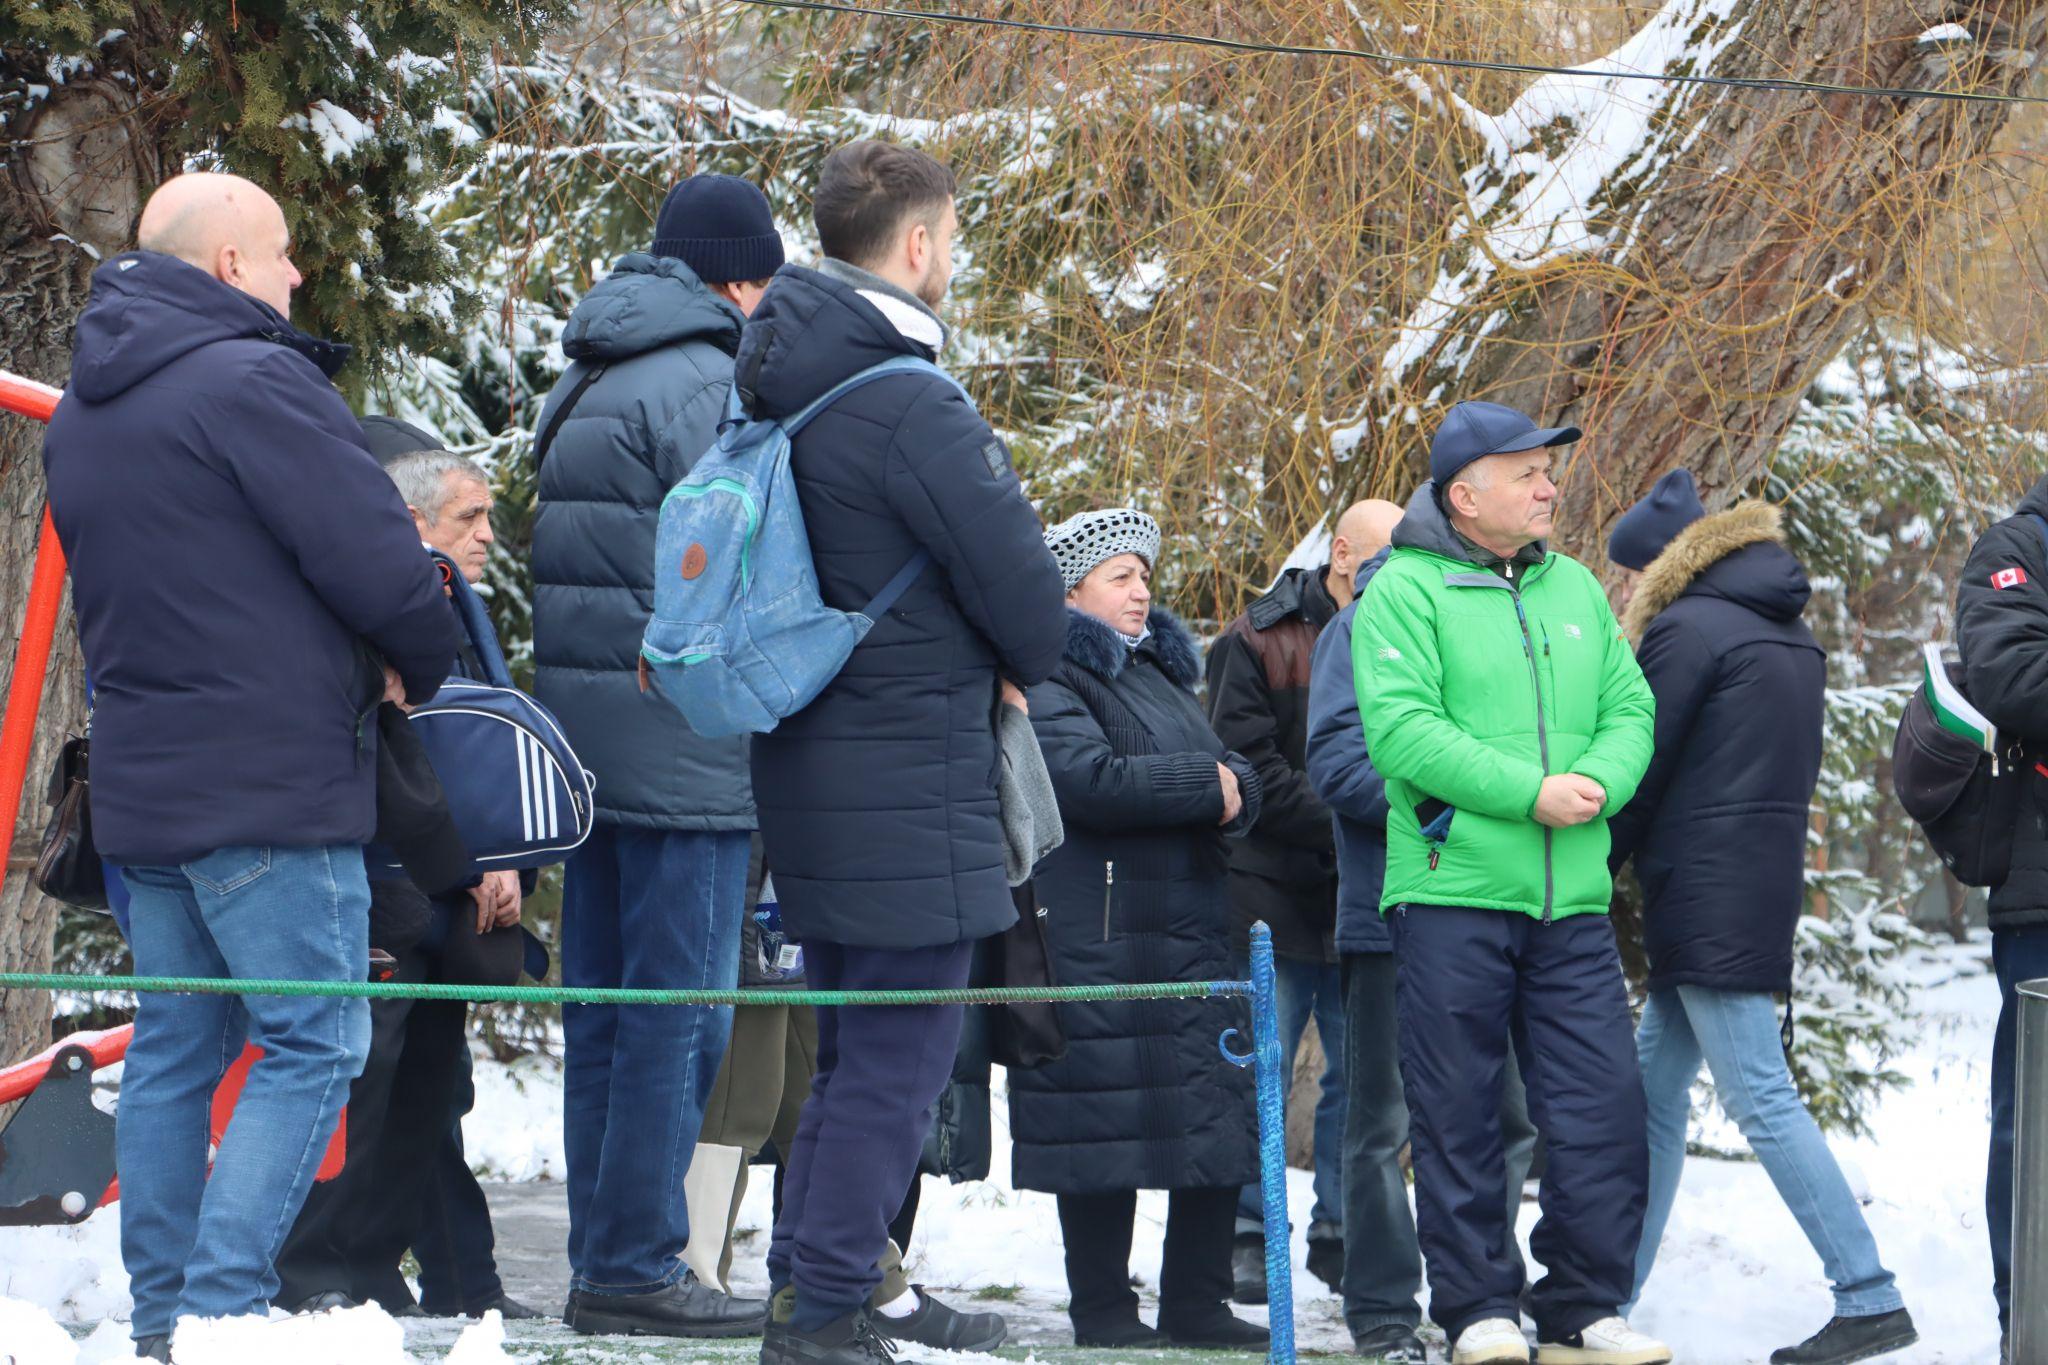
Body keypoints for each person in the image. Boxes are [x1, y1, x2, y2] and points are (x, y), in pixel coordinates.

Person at [40, 172, 459, 1361]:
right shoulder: (254, 380)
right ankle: (221, 1315)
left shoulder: (85, 409)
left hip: (145, 782)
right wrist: (420, 668)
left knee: (179, 1046)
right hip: (268, 782)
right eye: (281, 258)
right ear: (227, 265)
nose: (295, 280)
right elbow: (377, 557)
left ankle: (166, 1320)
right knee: (315, 1040)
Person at [737, 139, 1068, 1365]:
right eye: (952, 243)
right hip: (910, 778)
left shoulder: (779, 382)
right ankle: (822, 1305)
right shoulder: (912, 402)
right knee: (897, 1060)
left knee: (854, 1047)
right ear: (919, 246)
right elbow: (1033, 613)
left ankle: (807, 1284)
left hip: (810, 766)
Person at [1352, 400, 1666, 1365]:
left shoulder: (1574, 586)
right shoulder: (1402, 592)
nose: (1548, 485)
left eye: (1547, 468)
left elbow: (1631, 704)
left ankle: (1581, 1301)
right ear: (1464, 494)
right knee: (1460, 1112)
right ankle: (1480, 1308)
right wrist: (1531, 793)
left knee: (1604, 1105)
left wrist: (1601, 781)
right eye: (1526, 470)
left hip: (1568, 900)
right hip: (1451, 894)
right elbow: (1403, 732)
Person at [532, 173, 784, 1337]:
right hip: (687, 750)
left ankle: (604, 1255)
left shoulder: (590, 373)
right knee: (679, 1017)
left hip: (591, 755)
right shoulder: (707, 380)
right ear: (739, 276)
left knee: (604, 1011)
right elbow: (751, 553)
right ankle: (635, 1263)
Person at [1603, 471, 1916, 1365]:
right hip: (1747, 887)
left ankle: (1869, 1292)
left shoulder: (1687, 633)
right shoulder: (1787, 630)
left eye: (1632, 575)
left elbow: (1637, 767)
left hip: (1704, 895)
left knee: (1759, 1097)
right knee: (1654, 1097)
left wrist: (1585, 871)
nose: (1627, 591)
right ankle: (1608, 1297)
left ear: (1663, 565)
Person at [275, 423, 542, 1324]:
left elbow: (477, 744)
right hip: (380, 871)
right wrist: (465, 862)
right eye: (471, 516)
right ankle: (311, 1268)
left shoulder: (452, 598)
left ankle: (374, 1261)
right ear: (412, 519)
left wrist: (504, 860)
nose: (488, 535)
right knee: (366, 1075)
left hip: (447, 876)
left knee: (429, 1082)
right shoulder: (380, 596)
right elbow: (389, 749)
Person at [1012, 508, 1269, 1352]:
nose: (1141, 589)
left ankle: (1196, 1300)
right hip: (1099, 936)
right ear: (1073, 589)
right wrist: (1212, 785)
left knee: (1211, 1118)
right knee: (1100, 1126)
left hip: (1189, 929)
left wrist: (1230, 788)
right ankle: (1104, 1311)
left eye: (1144, 575)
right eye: (1121, 575)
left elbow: (1235, 773)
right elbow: (1087, 780)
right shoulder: (1046, 672)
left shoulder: (1157, 673)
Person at [1305, 498, 1540, 1363]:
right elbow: (1337, 762)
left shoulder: (1494, 611)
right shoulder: (1360, 626)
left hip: (1501, 912)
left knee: (1508, 1118)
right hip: (1391, 913)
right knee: (1381, 1124)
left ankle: (1482, 1297)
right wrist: (1459, 814)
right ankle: (1382, 1309)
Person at [1205, 509, 1359, 1301]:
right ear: (1341, 555)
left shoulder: (1406, 625)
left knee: (1359, 1076)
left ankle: (1345, 1230)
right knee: (1260, 1070)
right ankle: (1249, 1232)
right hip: (1270, 887)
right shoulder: (1257, 638)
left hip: (1364, 895)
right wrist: (1353, 820)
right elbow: (1245, 762)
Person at [1947, 468, 2048, 1362]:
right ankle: (2027, 1319)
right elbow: (2014, 676)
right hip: (2043, 894)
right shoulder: (2016, 549)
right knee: (2037, 1121)